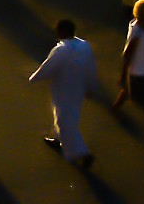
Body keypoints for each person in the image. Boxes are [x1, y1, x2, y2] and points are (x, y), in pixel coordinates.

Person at [29, 18, 97, 167]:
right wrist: (91, 86)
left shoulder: (62, 50)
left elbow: (48, 68)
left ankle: (83, 153)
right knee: (66, 117)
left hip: (63, 90)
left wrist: (33, 78)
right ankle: (58, 139)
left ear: (63, 31)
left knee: (65, 121)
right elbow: (91, 68)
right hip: (78, 89)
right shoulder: (84, 46)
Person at [110, 0, 144, 137]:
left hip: (142, 69)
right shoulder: (137, 36)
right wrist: (123, 74)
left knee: (127, 90)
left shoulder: (135, 24)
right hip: (140, 73)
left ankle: (115, 108)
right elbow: (127, 55)